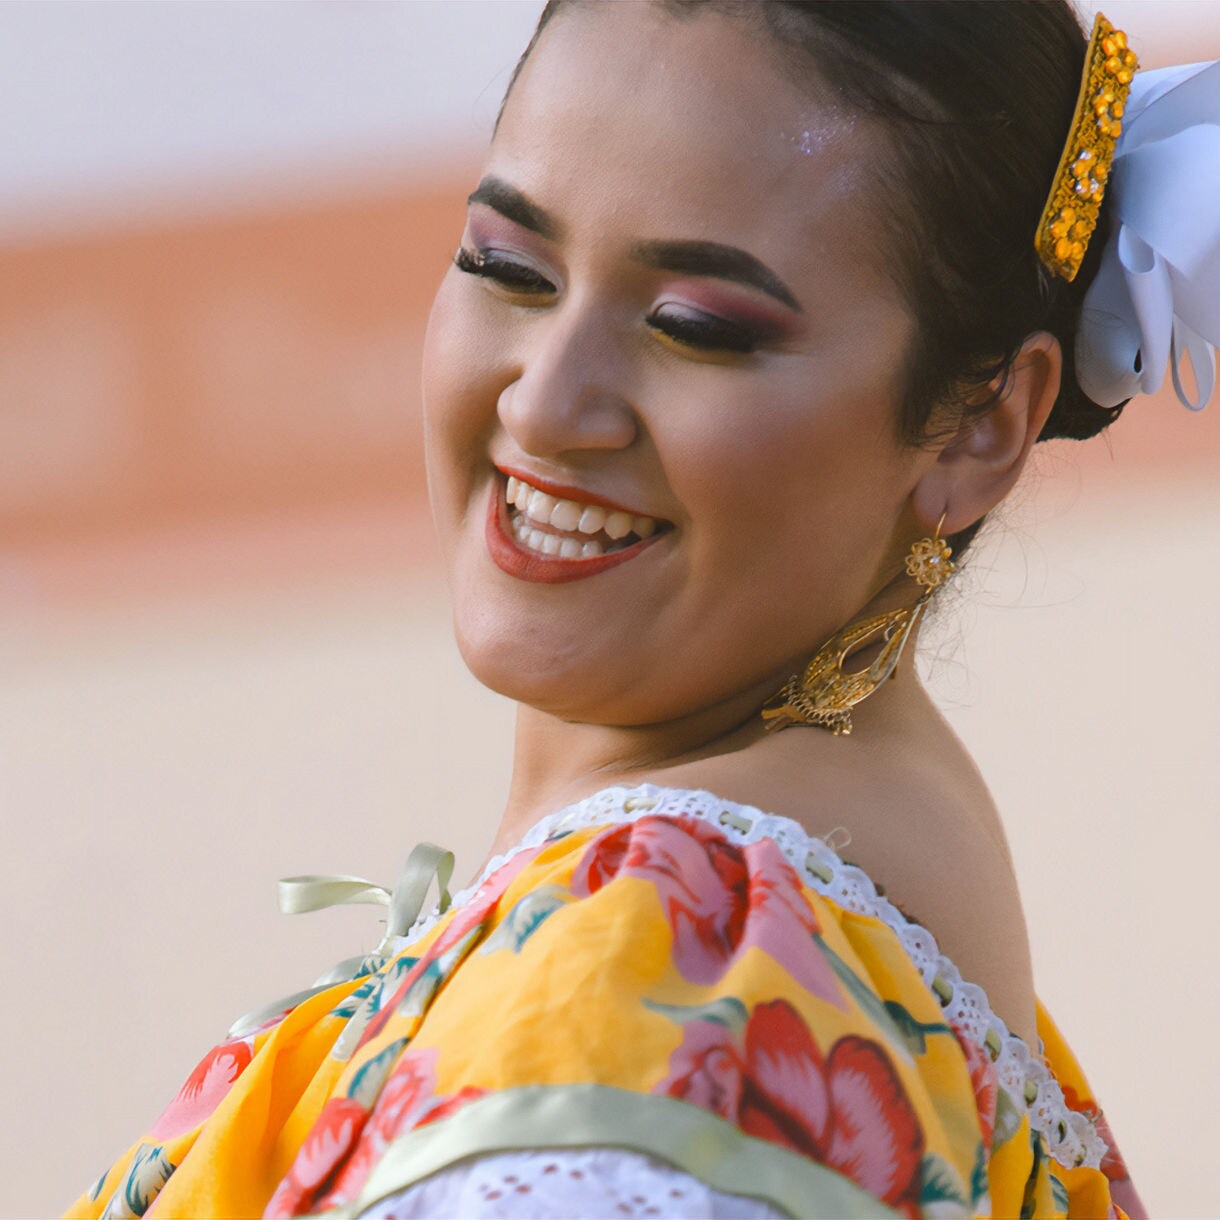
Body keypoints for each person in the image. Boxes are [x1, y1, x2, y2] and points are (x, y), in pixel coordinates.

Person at [68, 2, 1217, 1217]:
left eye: (697, 328)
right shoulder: (825, 924)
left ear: (981, 422)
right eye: (504, 266)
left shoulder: (670, 974)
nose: (549, 403)